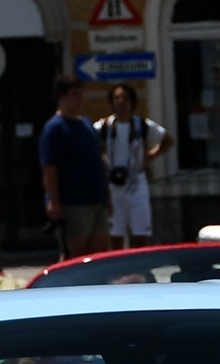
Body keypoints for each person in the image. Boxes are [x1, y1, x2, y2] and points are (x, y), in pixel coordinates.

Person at [38, 78, 110, 257]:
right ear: (62, 97)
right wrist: (54, 201)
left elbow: (98, 160)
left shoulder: (86, 124)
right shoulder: (55, 128)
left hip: (97, 199)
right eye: (74, 95)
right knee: (78, 255)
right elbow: (49, 167)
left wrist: (107, 196)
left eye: (81, 94)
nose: (80, 99)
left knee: (100, 253)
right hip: (74, 202)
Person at [96, 83, 170, 249]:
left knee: (140, 234)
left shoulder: (142, 125)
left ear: (132, 101)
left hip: (137, 185)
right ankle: (119, 272)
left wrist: (149, 157)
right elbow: (88, 145)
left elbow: (167, 141)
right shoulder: (104, 126)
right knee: (115, 236)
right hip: (114, 187)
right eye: (117, 98)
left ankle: (139, 272)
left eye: (125, 98)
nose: (121, 102)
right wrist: (102, 160)